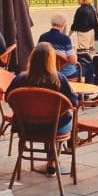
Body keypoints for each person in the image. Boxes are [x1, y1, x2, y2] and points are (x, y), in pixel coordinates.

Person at [7, 41, 79, 174]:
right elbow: (74, 102)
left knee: (56, 118)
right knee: (64, 118)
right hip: (53, 127)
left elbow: (8, 98)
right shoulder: (59, 79)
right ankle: (53, 160)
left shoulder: (20, 79)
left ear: (32, 58)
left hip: (26, 126)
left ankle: (49, 159)